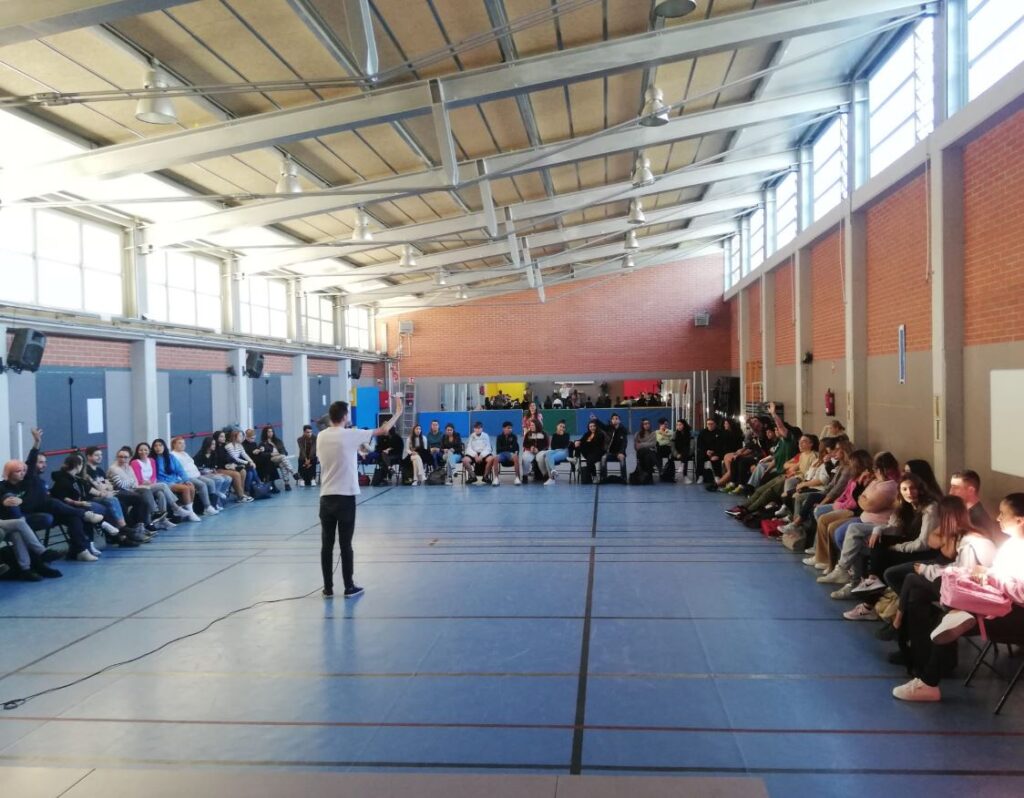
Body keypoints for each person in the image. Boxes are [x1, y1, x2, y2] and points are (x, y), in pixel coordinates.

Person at [892, 493, 1024, 703]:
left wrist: (990, 576)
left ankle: (928, 680)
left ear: (1019, 520)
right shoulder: (1011, 544)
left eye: (1003, 514)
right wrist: (984, 576)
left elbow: (1020, 593)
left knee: (945, 613)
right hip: (996, 602)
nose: (998, 518)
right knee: (925, 595)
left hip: (1014, 616)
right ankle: (924, 663)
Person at [318, 397, 403, 598]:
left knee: (327, 545)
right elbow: (383, 430)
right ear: (344, 416)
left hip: (326, 497)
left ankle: (328, 588)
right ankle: (349, 586)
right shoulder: (350, 434)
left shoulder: (321, 436)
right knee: (345, 545)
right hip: (345, 497)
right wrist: (398, 412)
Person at [0, 428, 103, 562]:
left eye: (23, 470)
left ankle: (81, 551)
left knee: (72, 516)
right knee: (50, 505)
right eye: (18, 471)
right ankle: (37, 557)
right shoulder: (4, 486)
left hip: (43, 508)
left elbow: (30, 462)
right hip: (25, 515)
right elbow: (31, 462)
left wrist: (37, 442)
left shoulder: (28, 480)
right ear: (9, 473)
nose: (22, 473)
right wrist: (4, 501)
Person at [107, 446, 172, 532]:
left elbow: (135, 482)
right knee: (155, 488)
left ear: (129, 458)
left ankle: (159, 519)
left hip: (133, 489)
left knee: (159, 493)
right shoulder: (114, 469)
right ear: (117, 457)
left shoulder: (129, 467)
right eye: (120, 457)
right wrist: (132, 481)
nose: (122, 459)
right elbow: (121, 485)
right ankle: (153, 516)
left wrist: (132, 482)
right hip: (121, 492)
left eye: (125, 457)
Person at [170, 437, 227, 514]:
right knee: (202, 485)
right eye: (180, 443)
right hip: (188, 477)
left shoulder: (185, 453)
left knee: (211, 482)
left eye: (183, 443)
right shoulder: (173, 455)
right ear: (174, 445)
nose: (183, 445)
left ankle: (213, 505)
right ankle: (207, 507)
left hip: (196, 474)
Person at [150, 439, 202, 522]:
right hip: (164, 482)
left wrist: (186, 480)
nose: (158, 447)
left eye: (160, 445)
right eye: (155, 446)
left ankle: (188, 510)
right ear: (153, 448)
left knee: (191, 486)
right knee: (185, 489)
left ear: (164, 447)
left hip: (175, 480)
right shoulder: (152, 459)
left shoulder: (170, 457)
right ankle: (190, 513)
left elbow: (180, 470)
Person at [949, 469, 1001, 539]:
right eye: (951, 487)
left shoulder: (977, 520)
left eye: (956, 488)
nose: (951, 492)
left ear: (971, 491)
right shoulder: (966, 514)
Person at [197, 434, 249, 502]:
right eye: (221, 436)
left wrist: (234, 464)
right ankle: (240, 496)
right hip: (216, 469)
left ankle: (240, 492)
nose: (224, 438)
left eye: (224, 436)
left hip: (221, 467)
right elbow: (214, 465)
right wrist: (226, 466)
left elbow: (229, 458)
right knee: (235, 474)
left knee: (243, 472)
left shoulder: (222, 448)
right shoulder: (205, 453)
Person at [260, 426, 295, 491]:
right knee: (283, 458)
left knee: (282, 463)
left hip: (280, 458)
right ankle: (293, 473)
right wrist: (271, 454)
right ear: (265, 433)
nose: (271, 433)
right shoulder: (263, 443)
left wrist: (281, 453)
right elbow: (262, 455)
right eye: (269, 432)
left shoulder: (278, 441)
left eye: (272, 431)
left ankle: (286, 483)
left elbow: (284, 451)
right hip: (271, 460)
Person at [596, 413, 628, 482]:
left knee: (622, 459)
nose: (615, 420)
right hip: (610, 453)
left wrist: (621, 452)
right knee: (603, 458)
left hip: (619, 453)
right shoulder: (609, 428)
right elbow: (602, 426)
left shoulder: (623, 430)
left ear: (619, 421)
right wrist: (596, 419)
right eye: (613, 419)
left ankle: (624, 478)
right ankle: (603, 478)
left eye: (616, 419)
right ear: (611, 421)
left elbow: (624, 443)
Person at [538, 420, 571, 484]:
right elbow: (553, 446)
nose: (562, 428)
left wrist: (561, 436)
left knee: (548, 458)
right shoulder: (554, 435)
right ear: (557, 426)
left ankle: (551, 478)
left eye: (563, 427)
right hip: (556, 451)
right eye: (560, 426)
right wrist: (557, 449)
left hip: (564, 452)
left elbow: (565, 446)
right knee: (547, 455)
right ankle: (553, 473)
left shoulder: (567, 435)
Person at [463, 421, 495, 486]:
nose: (477, 429)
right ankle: (473, 477)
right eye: (476, 428)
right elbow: (468, 448)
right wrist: (475, 455)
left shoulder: (486, 435)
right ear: (474, 429)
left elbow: (488, 448)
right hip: (474, 454)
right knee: (465, 460)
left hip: (484, 454)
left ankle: (485, 477)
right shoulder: (471, 436)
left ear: (482, 429)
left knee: (491, 459)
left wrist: (481, 455)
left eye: (479, 428)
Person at [521, 419, 548, 483]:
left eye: (532, 425)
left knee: (540, 458)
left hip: (540, 451)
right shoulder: (528, 433)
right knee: (525, 458)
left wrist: (538, 449)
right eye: (530, 425)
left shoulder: (543, 434)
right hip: (530, 451)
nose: (531, 426)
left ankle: (545, 475)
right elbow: (525, 444)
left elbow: (546, 445)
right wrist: (530, 448)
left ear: (537, 425)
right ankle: (525, 476)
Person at [495, 421, 521, 486]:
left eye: (511, 428)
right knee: (495, 458)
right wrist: (509, 447)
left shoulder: (514, 436)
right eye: (508, 428)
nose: (510, 429)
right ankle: (496, 479)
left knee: (516, 457)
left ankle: (517, 478)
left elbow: (514, 448)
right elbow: (498, 450)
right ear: (504, 428)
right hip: (502, 454)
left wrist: (506, 448)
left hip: (510, 454)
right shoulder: (499, 437)